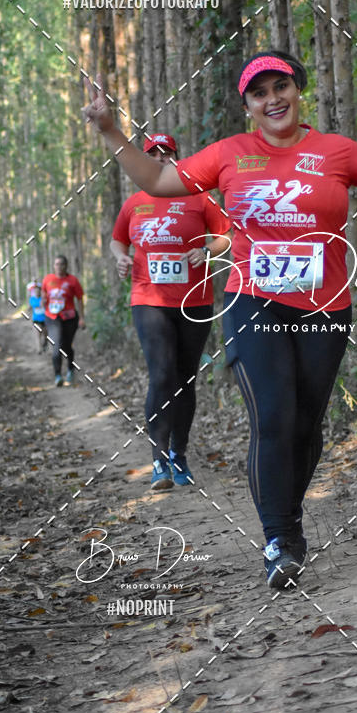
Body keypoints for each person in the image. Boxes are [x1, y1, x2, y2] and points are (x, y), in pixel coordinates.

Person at [83, 52, 357, 589]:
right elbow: (160, 182)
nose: (272, 99)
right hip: (253, 300)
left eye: (281, 87)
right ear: (248, 106)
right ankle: (280, 537)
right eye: (260, 93)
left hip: (325, 307)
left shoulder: (335, 151)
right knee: (274, 418)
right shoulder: (230, 155)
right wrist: (110, 131)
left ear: (298, 91)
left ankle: (288, 515)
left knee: (306, 425)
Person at [110, 132, 232, 492]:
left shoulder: (198, 197)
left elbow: (226, 233)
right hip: (148, 299)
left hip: (195, 299)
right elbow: (118, 239)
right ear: (146, 160)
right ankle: (159, 460)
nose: (161, 159)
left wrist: (208, 250)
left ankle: (179, 453)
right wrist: (120, 258)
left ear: (178, 159)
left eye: (168, 154)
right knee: (161, 373)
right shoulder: (135, 203)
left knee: (185, 378)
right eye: (154, 154)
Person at [42, 255, 85, 386]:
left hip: (70, 318)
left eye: (61, 264)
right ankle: (58, 375)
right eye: (56, 264)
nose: (59, 267)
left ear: (66, 266)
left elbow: (80, 299)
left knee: (66, 346)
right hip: (52, 318)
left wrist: (82, 318)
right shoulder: (48, 279)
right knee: (56, 347)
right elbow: (44, 295)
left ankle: (71, 370)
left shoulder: (72, 280)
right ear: (53, 266)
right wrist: (44, 303)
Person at [27, 279, 48, 353]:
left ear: (40, 291)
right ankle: (39, 349)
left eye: (38, 290)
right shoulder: (32, 299)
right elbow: (32, 306)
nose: (36, 292)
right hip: (36, 320)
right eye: (35, 291)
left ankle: (45, 344)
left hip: (45, 320)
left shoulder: (44, 298)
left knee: (45, 335)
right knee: (37, 334)